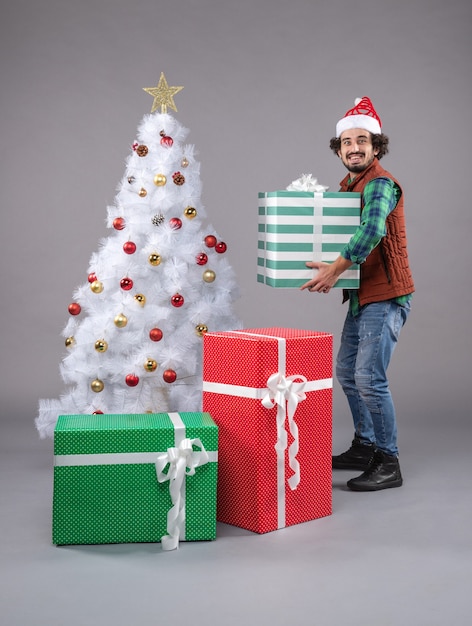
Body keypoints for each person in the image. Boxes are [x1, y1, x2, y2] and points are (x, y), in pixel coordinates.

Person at [301, 97, 414, 491]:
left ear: (376, 146)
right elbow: (340, 231)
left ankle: (389, 460)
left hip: (386, 296)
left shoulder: (380, 183)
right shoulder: (350, 186)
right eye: (346, 142)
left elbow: (370, 232)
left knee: (368, 377)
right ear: (339, 149)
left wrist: (333, 270)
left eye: (362, 140)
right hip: (363, 296)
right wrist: (322, 261)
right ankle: (365, 446)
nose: (353, 147)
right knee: (348, 374)